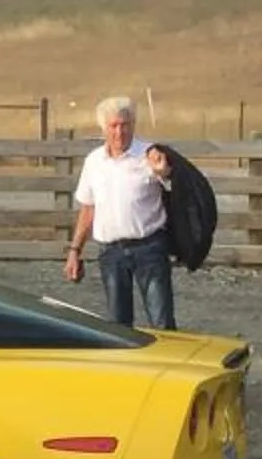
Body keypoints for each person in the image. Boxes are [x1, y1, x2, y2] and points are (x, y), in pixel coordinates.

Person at [63, 94, 177, 328]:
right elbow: (88, 207)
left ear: (133, 125)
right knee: (118, 325)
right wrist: (75, 250)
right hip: (111, 252)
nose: (119, 132)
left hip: (149, 248)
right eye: (113, 126)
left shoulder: (150, 155)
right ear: (104, 128)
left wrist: (164, 173)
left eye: (124, 125)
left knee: (161, 320)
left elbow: (175, 190)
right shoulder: (94, 161)